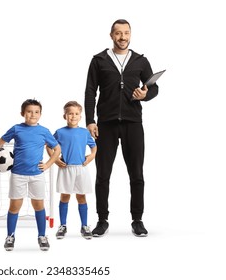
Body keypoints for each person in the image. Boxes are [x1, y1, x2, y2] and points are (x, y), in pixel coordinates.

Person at [84, 19, 159, 237]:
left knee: (136, 174)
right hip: (105, 125)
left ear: (130, 34)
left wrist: (145, 95)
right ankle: (102, 220)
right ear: (111, 35)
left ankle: (137, 220)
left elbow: (153, 88)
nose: (122, 37)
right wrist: (90, 120)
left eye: (126, 33)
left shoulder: (140, 61)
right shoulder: (99, 60)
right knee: (102, 175)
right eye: (118, 33)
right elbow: (90, 91)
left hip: (133, 123)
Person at [0, 98, 61, 251]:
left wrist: (47, 164)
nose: (32, 115)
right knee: (14, 206)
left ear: (40, 114)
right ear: (22, 113)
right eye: (29, 111)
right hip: (18, 174)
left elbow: (57, 149)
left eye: (36, 112)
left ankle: (42, 236)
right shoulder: (16, 129)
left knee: (38, 205)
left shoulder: (44, 131)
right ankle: (10, 236)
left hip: (37, 175)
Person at [47, 101, 97, 240]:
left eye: (76, 114)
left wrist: (91, 156)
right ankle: (62, 225)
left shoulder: (84, 132)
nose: (73, 116)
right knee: (65, 196)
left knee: (81, 197)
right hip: (66, 168)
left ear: (80, 116)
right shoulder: (60, 132)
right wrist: (55, 160)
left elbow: (94, 147)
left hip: (81, 168)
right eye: (70, 114)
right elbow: (49, 146)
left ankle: (85, 226)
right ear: (65, 116)